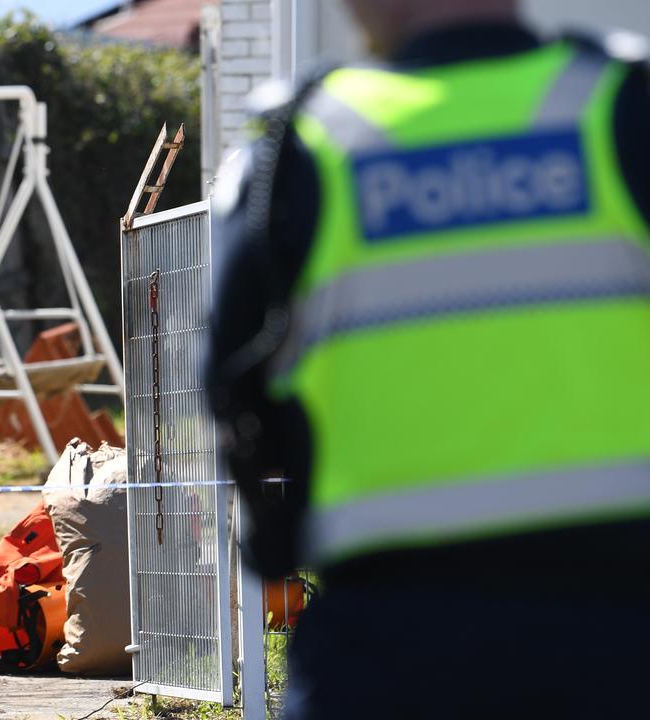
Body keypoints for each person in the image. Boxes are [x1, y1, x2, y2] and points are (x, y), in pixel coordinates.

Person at [206, 1, 650, 717]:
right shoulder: (624, 106)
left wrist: (274, 541)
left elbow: (232, 384)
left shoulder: (300, 149)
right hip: (625, 639)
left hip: (386, 648)